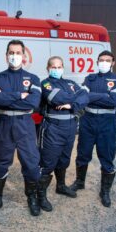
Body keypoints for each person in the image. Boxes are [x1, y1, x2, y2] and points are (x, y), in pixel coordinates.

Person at [0, 40, 42, 217]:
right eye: (11, 52)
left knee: (31, 164)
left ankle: (31, 198)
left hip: (25, 124)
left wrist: (6, 96)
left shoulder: (33, 78)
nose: (14, 56)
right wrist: (19, 96)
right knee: (1, 164)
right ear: (6, 55)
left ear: (24, 56)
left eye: (18, 53)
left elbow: (33, 102)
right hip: (4, 124)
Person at [70, 50, 116, 207]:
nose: (104, 62)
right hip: (88, 121)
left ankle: (105, 191)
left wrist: (93, 96)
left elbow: (114, 101)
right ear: (97, 61)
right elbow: (82, 97)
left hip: (107, 124)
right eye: (101, 60)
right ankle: (80, 182)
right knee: (82, 154)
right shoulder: (90, 78)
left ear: (113, 63)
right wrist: (103, 96)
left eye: (108, 60)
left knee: (106, 157)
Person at [38, 56, 89, 212]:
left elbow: (86, 96)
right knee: (48, 162)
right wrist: (75, 101)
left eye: (60, 66)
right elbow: (56, 98)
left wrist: (71, 105)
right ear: (48, 68)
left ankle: (61, 186)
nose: (57, 69)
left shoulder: (70, 83)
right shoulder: (45, 83)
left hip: (70, 127)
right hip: (53, 127)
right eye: (54, 66)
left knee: (64, 159)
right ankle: (41, 196)